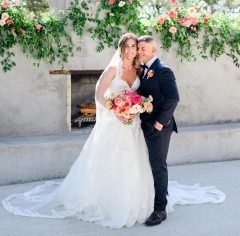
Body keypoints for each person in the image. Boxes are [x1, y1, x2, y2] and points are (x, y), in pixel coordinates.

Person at [2, 33, 225, 229]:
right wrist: (117, 111)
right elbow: (99, 95)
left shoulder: (142, 69)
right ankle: (112, 201)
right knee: (113, 162)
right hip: (116, 123)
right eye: (128, 46)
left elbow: (155, 97)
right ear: (121, 49)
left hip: (136, 125)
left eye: (135, 47)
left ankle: (149, 204)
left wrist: (138, 109)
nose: (132, 50)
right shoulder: (113, 69)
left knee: (139, 163)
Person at [137, 35, 179, 226]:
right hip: (146, 124)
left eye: (143, 48)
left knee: (158, 166)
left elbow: (173, 98)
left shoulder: (163, 70)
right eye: (138, 48)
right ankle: (163, 194)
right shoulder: (144, 71)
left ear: (153, 50)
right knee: (153, 165)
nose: (139, 52)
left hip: (160, 127)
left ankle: (160, 210)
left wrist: (159, 124)